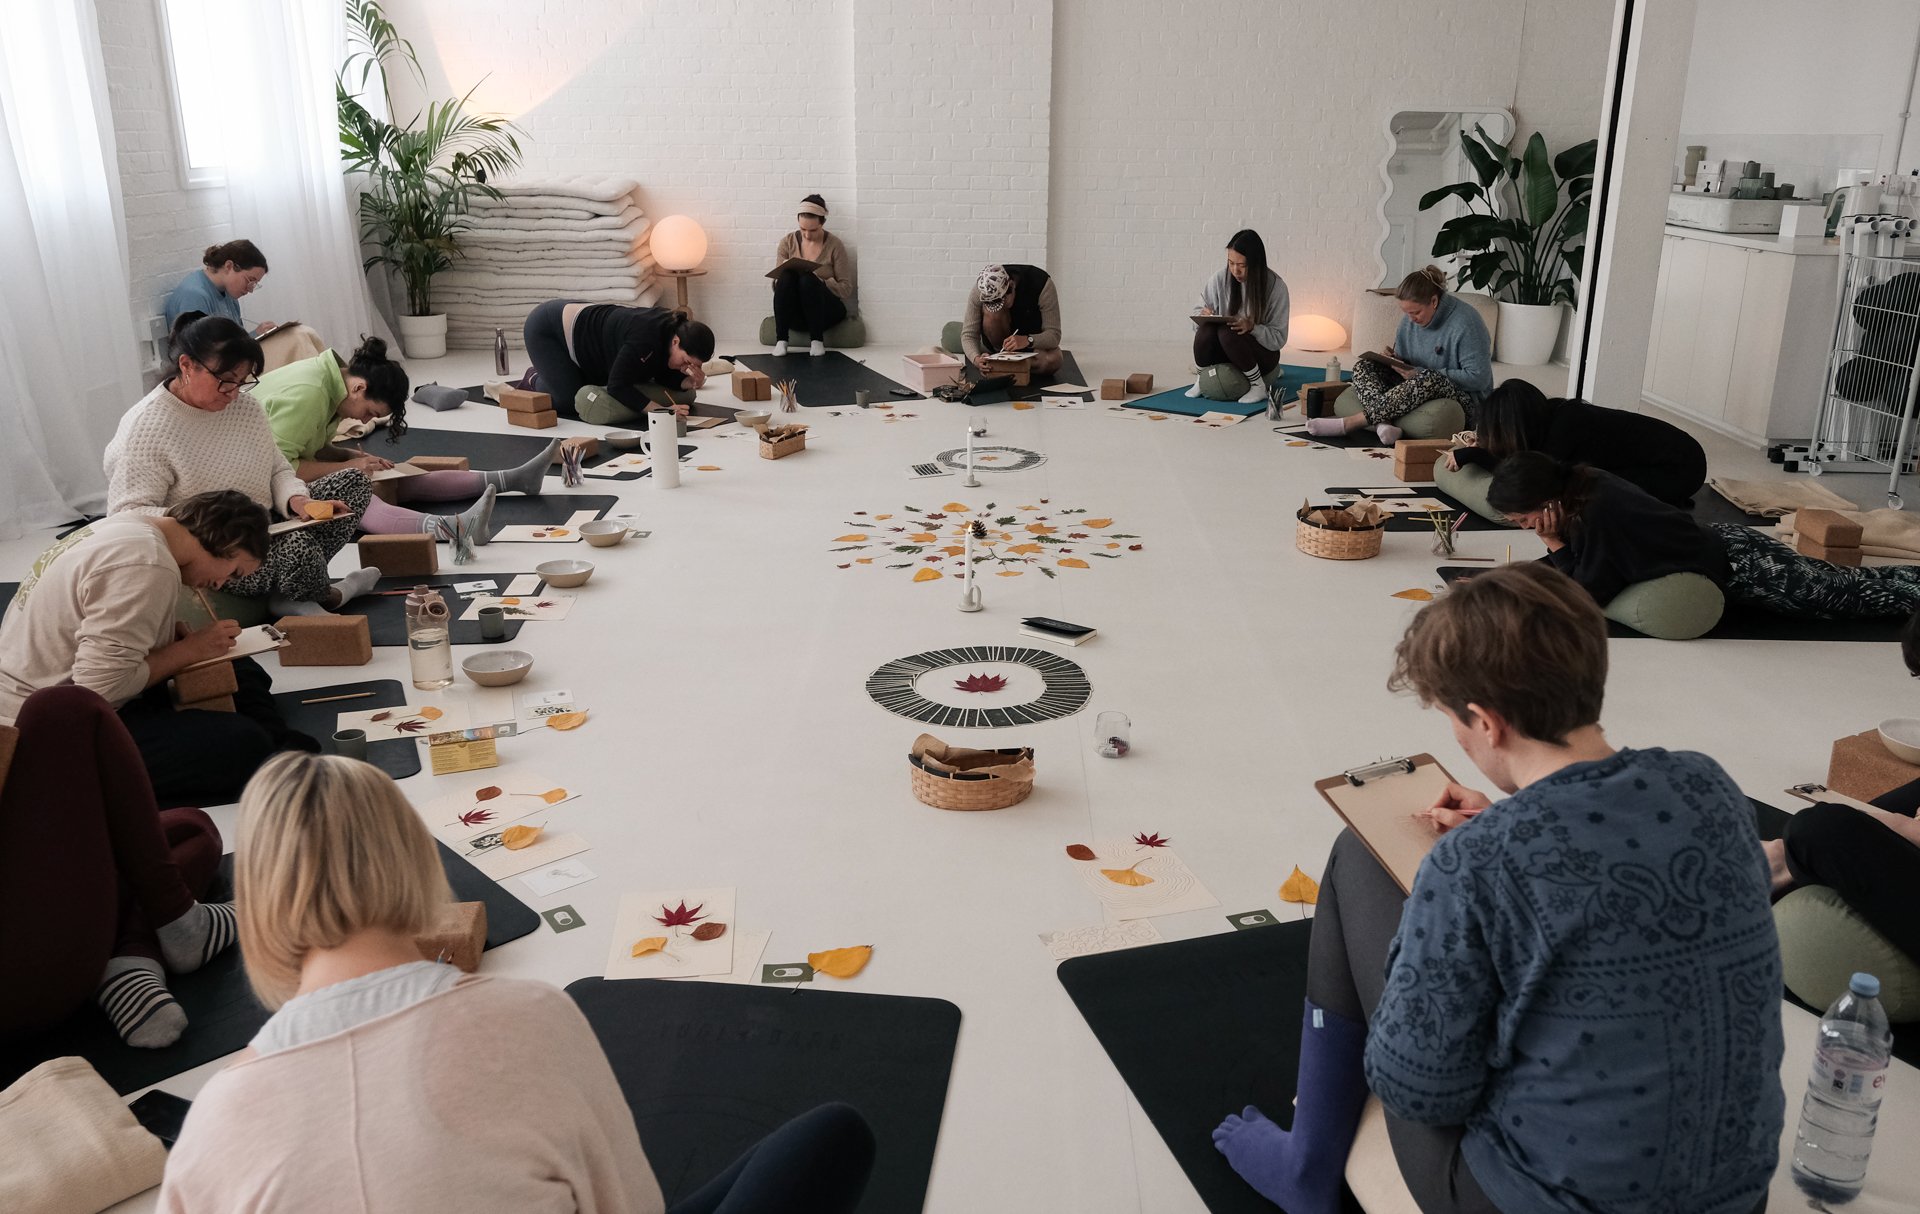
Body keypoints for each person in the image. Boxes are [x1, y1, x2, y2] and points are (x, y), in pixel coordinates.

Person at [1213, 563, 1783, 1214]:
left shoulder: (1474, 863)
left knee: (1358, 853)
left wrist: (1464, 875)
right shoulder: (1709, 786)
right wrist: (1510, 819)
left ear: (1486, 723)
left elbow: (1420, 1092)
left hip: (1537, 1203)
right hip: (1737, 1196)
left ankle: (1307, 1170)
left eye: (1452, 719)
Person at [159, 754, 877, 1214]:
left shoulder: (216, 1118)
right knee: (830, 1138)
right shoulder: (527, 1015)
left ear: (255, 900)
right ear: (416, 863)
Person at [105, 314, 495, 616]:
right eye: (225, 381)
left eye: (242, 382)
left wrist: (298, 503)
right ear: (187, 365)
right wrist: (211, 526)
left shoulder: (242, 405)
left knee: (351, 487)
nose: (234, 393)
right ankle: (325, 592)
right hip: (218, 546)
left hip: (267, 521)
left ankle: (297, 587)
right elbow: (127, 515)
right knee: (296, 549)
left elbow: (277, 467)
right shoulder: (148, 426)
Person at [0, 490, 316, 805]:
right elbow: (97, 693)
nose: (221, 584)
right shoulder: (148, 564)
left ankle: (273, 750)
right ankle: (265, 752)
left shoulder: (133, 526)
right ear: (227, 543)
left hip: (58, 695)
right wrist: (189, 651)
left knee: (239, 667)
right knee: (240, 744)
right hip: (47, 732)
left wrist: (171, 642)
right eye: (233, 572)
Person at [0, 687, 239, 1051]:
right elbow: (102, 679)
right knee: (66, 708)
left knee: (189, 829)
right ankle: (176, 927)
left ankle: (129, 957)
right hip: (23, 976)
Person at [1489, 451, 1920, 618]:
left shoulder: (1596, 510)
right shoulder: (1583, 483)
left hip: (1747, 565)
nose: (1523, 526)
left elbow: (1587, 591)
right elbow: (1583, 562)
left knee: (1856, 598)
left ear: (1546, 501)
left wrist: (1551, 545)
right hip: (1733, 545)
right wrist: (1516, 579)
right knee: (1855, 584)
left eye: (1521, 517)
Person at [255, 341, 560, 507]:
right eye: (370, 413)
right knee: (359, 491)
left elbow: (313, 449)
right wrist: (350, 469)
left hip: (283, 473)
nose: (364, 421)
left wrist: (353, 457)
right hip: (264, 488)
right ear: (359, 388)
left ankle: (511, 479)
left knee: (389, 477)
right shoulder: (310, 393)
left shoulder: (331, 386)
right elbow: (284, 469)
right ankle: (449, 527)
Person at [1306, 266, 1492, 446]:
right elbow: (1407, 364)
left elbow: (1479, 378)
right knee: (1364, 366)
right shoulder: (1409, 320)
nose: (1411, 319)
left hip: (1467, 403)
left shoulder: (1467, 323)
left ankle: (1351, 423)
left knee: (1429, 378)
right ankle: (1383, 424)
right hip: (1414, 387)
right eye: (1406, 312)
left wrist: (1420, 373)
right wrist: (1393, 360)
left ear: (1434, 301)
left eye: (1416, 312)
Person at [1449, 379, 1709, 507]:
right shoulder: (1547, 417)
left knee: (1581, 492)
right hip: (1673, 458)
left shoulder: (1568, 427)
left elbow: (1534, 479)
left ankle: (1667, 500)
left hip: (1679, 468)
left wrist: (1474, 456)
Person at [519, 303, 714, 421]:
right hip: (549, 329)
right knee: (569, 401)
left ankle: (558, 373)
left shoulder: (670, 334)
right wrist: (661, 412)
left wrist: (689, 382)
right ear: (676, 342)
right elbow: (617, 386)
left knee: (587, 384)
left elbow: (658, 370)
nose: (685, 368)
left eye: (693, 366)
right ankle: (534, 377)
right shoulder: (646, 337)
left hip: (590, 341)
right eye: (686, 362)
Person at [162, 240, 325, 372]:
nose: (250, 289)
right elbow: (204, 353)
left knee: (301, 333)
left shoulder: (228, 293)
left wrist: (257, 334)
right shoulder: (195, 296)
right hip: (218, 370)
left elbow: (232, 340)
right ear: (229, 266)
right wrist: (252, 339)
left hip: (232, 360)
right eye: (250, 280)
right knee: (298, 338)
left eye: (255, 284)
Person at [1188, 229, 1290, 405]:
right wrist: (1203, 315)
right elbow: (1197, 318)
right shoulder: (1219, 279)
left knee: (1228, 331)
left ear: (1256, 263)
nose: (1236, 270)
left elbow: (1279, 338)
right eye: (1231, 263)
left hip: (1260, 355)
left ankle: (1257, 386)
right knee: (1207, 329)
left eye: (1242, 265)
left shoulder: (1276, 287)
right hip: (1226, 350)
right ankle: (1201, 379)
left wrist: (1253, 328)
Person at [771, 194, 856, 356]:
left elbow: (846, 289)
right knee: (788, 275)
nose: (808, 235)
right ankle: (781, 340)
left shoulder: (834, 245)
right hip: (796, 314)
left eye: (813, 230)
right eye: (803, 229)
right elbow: (778, 288)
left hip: (825, 312)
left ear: (822, 223)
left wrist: (822, 282)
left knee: (808, 279)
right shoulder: (788, 242)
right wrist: (780, 276)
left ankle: (817, 341)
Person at [963, 263, 1063, 378]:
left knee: (1054, 359)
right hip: (998, 347)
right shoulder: (982, 289)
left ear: (1011, 285)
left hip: (1030, 345)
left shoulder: (1042, 285)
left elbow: (1054, 335)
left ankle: (1004, 367)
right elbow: (969, 334)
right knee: (990, 315)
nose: (1001, 306)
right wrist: (976, 359)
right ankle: (1001, 362)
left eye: (1002, 302)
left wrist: (1028, 340)